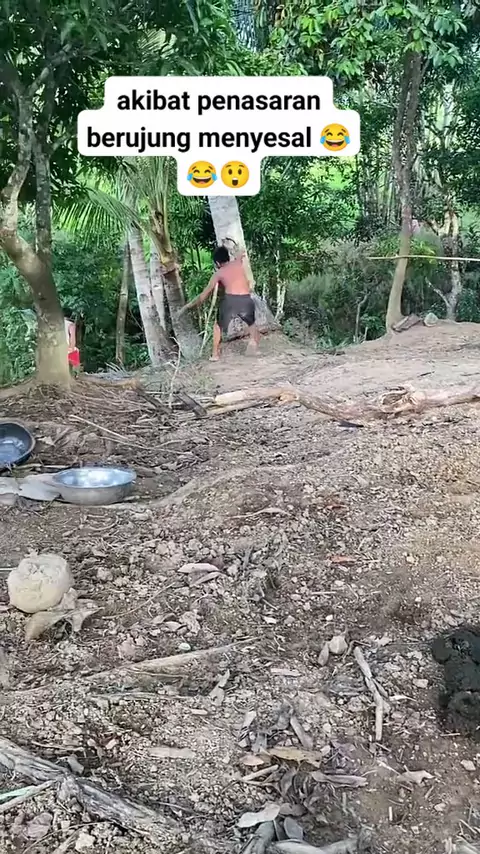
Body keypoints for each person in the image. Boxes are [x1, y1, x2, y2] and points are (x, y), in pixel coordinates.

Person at [179, 245, 259, 361]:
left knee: (217, 326)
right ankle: (253, 344)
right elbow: (241, 252)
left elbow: (203, 296)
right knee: (251, 323)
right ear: (228, 258)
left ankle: (215, 354)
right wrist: (236, 250)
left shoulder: (218, 274)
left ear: (217, 262)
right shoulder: (237, 263)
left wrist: (187, 306)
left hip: (231, 300)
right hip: (246, 299)